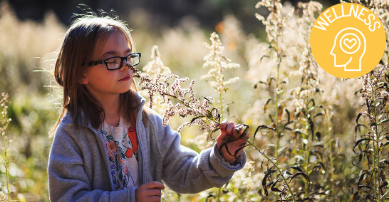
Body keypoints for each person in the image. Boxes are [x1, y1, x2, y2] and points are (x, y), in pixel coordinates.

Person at [47, 8, 247, 202]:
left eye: (128, 57)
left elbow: (184, 173)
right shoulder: (71, 134)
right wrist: (131, 198)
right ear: (81, 73)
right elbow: (67, 197)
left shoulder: (148, 121)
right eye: (113, 60)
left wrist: (221, 156)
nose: (126, 65)